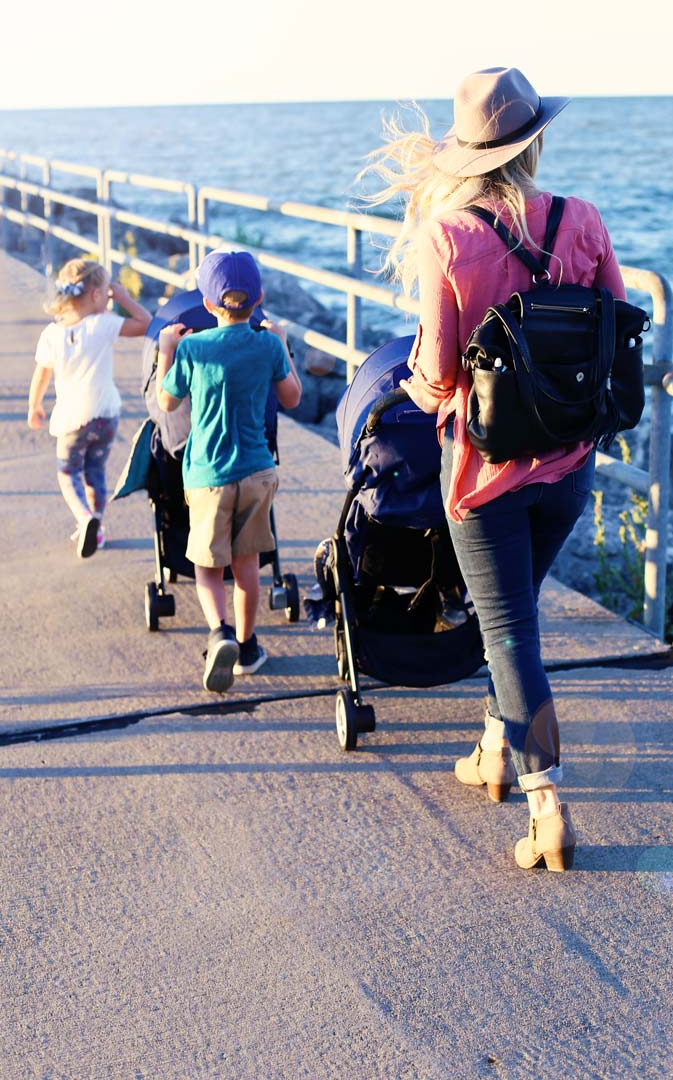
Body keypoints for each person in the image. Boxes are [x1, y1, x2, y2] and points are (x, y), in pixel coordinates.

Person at [361, 67, 626, 871]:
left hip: (483, 474)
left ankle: (548, 806)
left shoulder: (450, 237)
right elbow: (612, 320)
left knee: (508, 628)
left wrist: (408, 381)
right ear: (533, 141)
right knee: (512, 619)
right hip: (569, 463)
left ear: (468, 157)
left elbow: (440, 377)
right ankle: (493, 750)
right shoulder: (582, 219)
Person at [156, 249, 302, 693]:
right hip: (257, 472)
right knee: (247, 566)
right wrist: (283, 344)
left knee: (205, 566)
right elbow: (292, 397)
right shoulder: (267, 344)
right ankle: (248, 645)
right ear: (258, 299)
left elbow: (167, 402)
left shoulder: (193, 347)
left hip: (208, 475)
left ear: (206, 303)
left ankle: (218, 632)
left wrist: (166, 350)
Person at [28, 258, 152, 557]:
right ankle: (97, 527)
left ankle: (86, 519)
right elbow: (147, 323)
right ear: (97, 294)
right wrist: (124, 299)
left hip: (73, 418)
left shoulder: (52, 334)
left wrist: (35, 405)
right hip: (106, 414)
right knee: (95, 471)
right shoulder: (103, 324)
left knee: (68, 471)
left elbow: (42, 374)